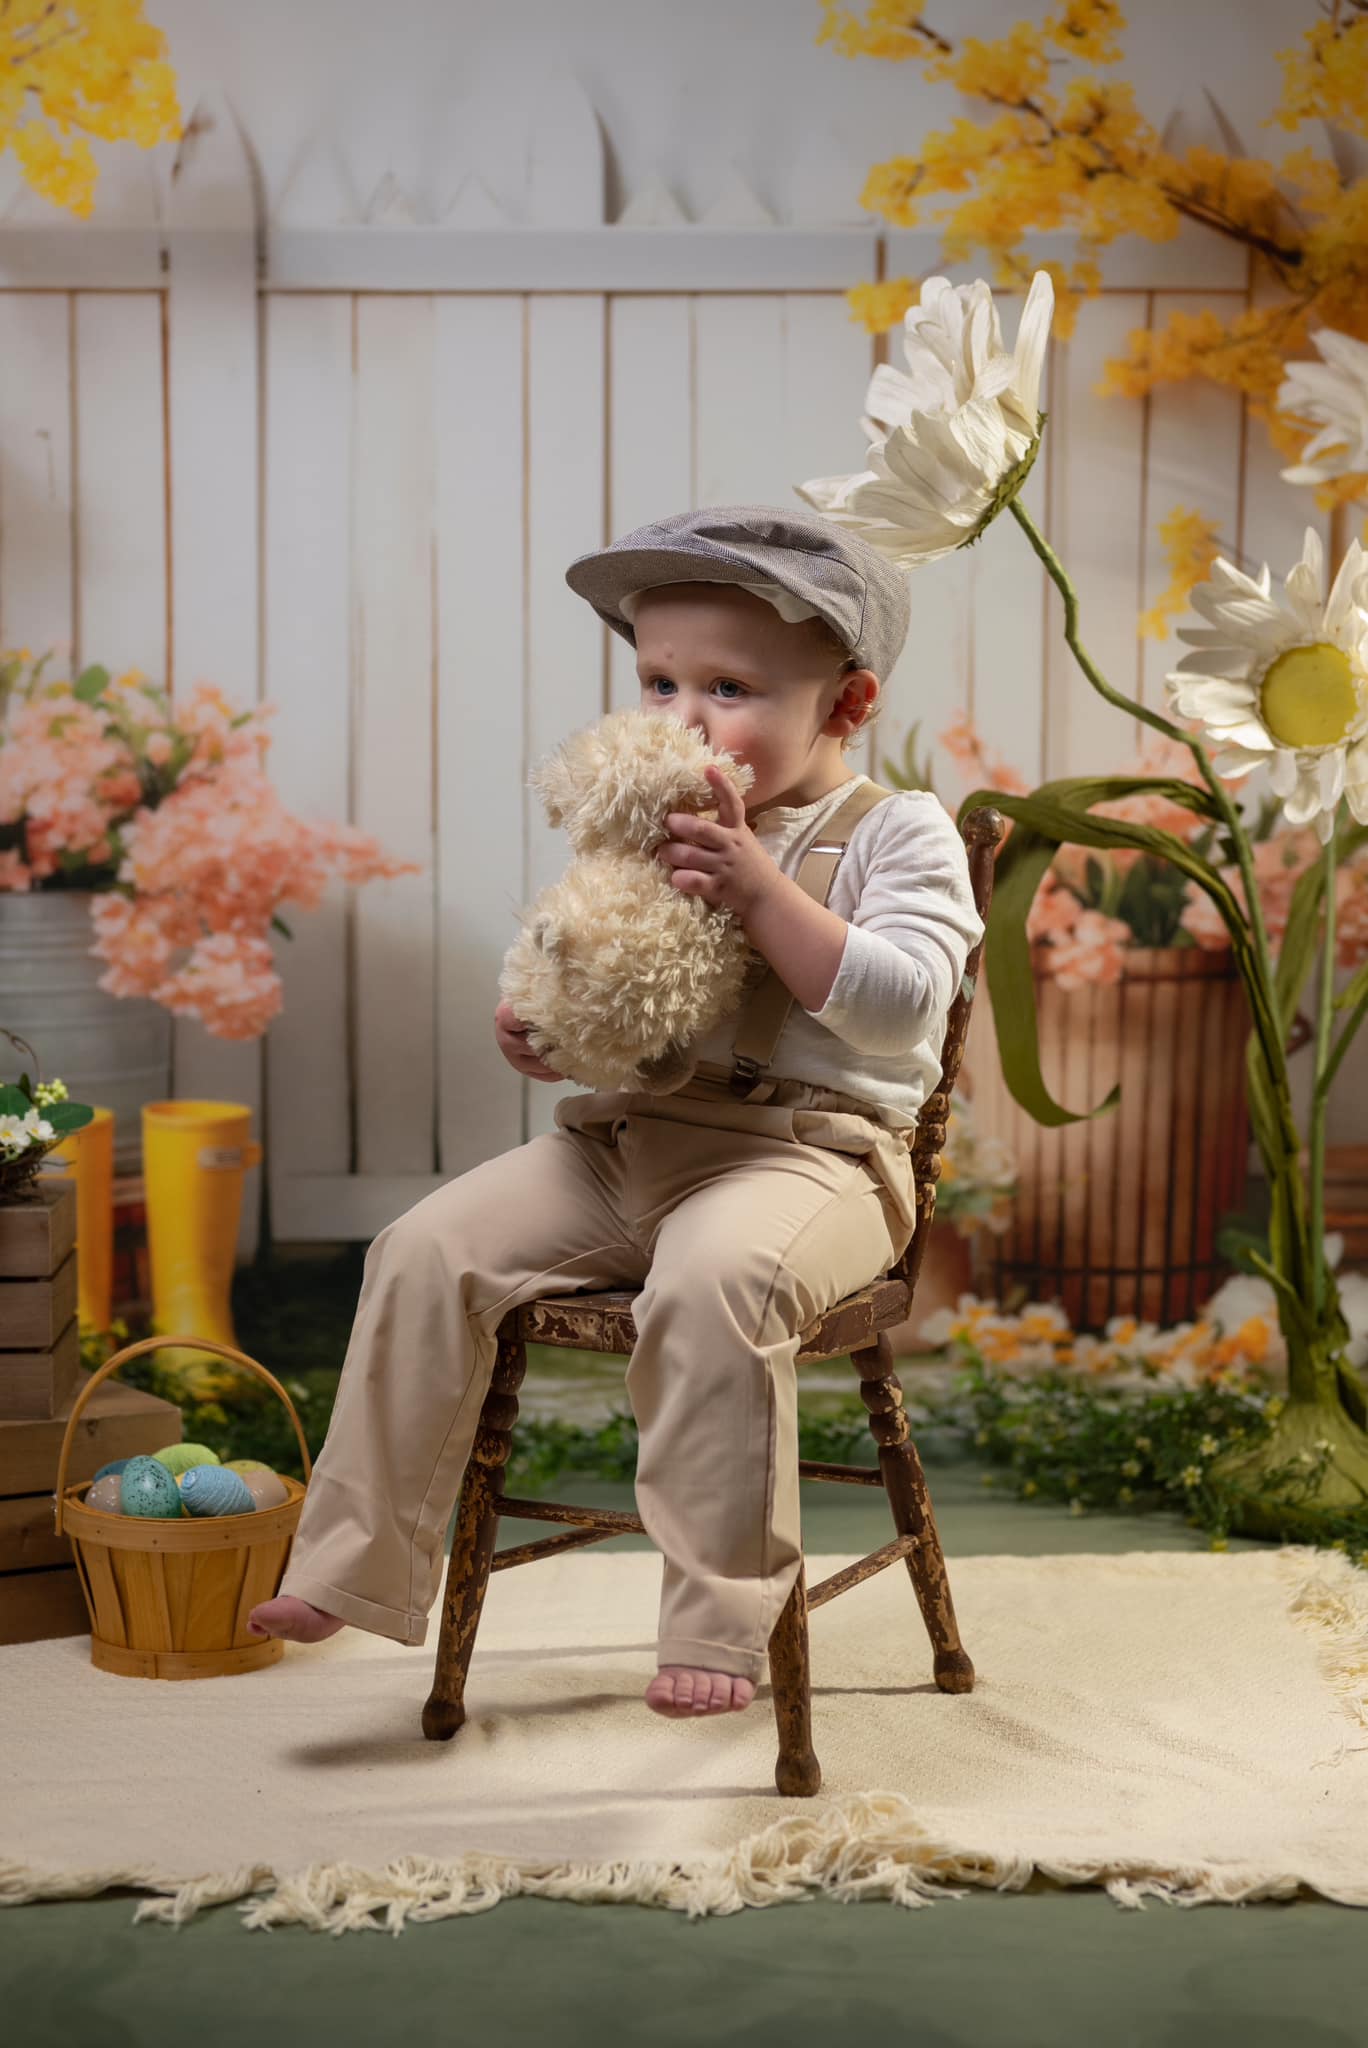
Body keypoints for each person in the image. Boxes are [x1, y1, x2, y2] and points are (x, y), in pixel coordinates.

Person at [248, 504, 984, 1721]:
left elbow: (899, 1006)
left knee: (716, 1284)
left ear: (847, 704)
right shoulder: (646, 830)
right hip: (631, 1142)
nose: (684, 721)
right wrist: (541, 1023)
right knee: (422, 1249)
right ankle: (351, 1561)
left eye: (730, 687)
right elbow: (601, 974)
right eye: (657, 683)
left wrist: (758, 887)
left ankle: (714, 1620)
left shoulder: (893, 831)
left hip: (814, 1163)